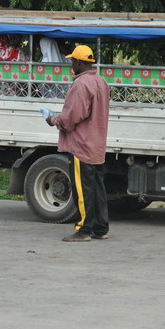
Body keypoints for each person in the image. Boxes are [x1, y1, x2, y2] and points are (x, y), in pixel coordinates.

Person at [45, 44, 111, 242]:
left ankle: (84, 229)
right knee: (97, 189)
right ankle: (100, 228)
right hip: (96, 145)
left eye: (73, 60)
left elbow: (70, 119)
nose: (71, 64)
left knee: (83, 190)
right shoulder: (101, 82)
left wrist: (53, 120)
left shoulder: (81, 85)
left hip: (81, 146)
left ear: (81, 62)